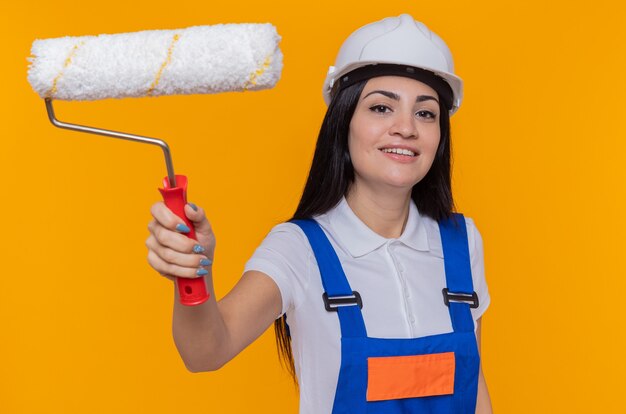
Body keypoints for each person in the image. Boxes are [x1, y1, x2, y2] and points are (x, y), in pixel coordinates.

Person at [145, 13, 493, 413]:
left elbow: (475, 388)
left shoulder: (462, 241)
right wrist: (193, 275)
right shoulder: (299, 249)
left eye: (426, 112)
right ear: (343, 122)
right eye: (381, 108)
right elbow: (206, 352)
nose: (406, 128)